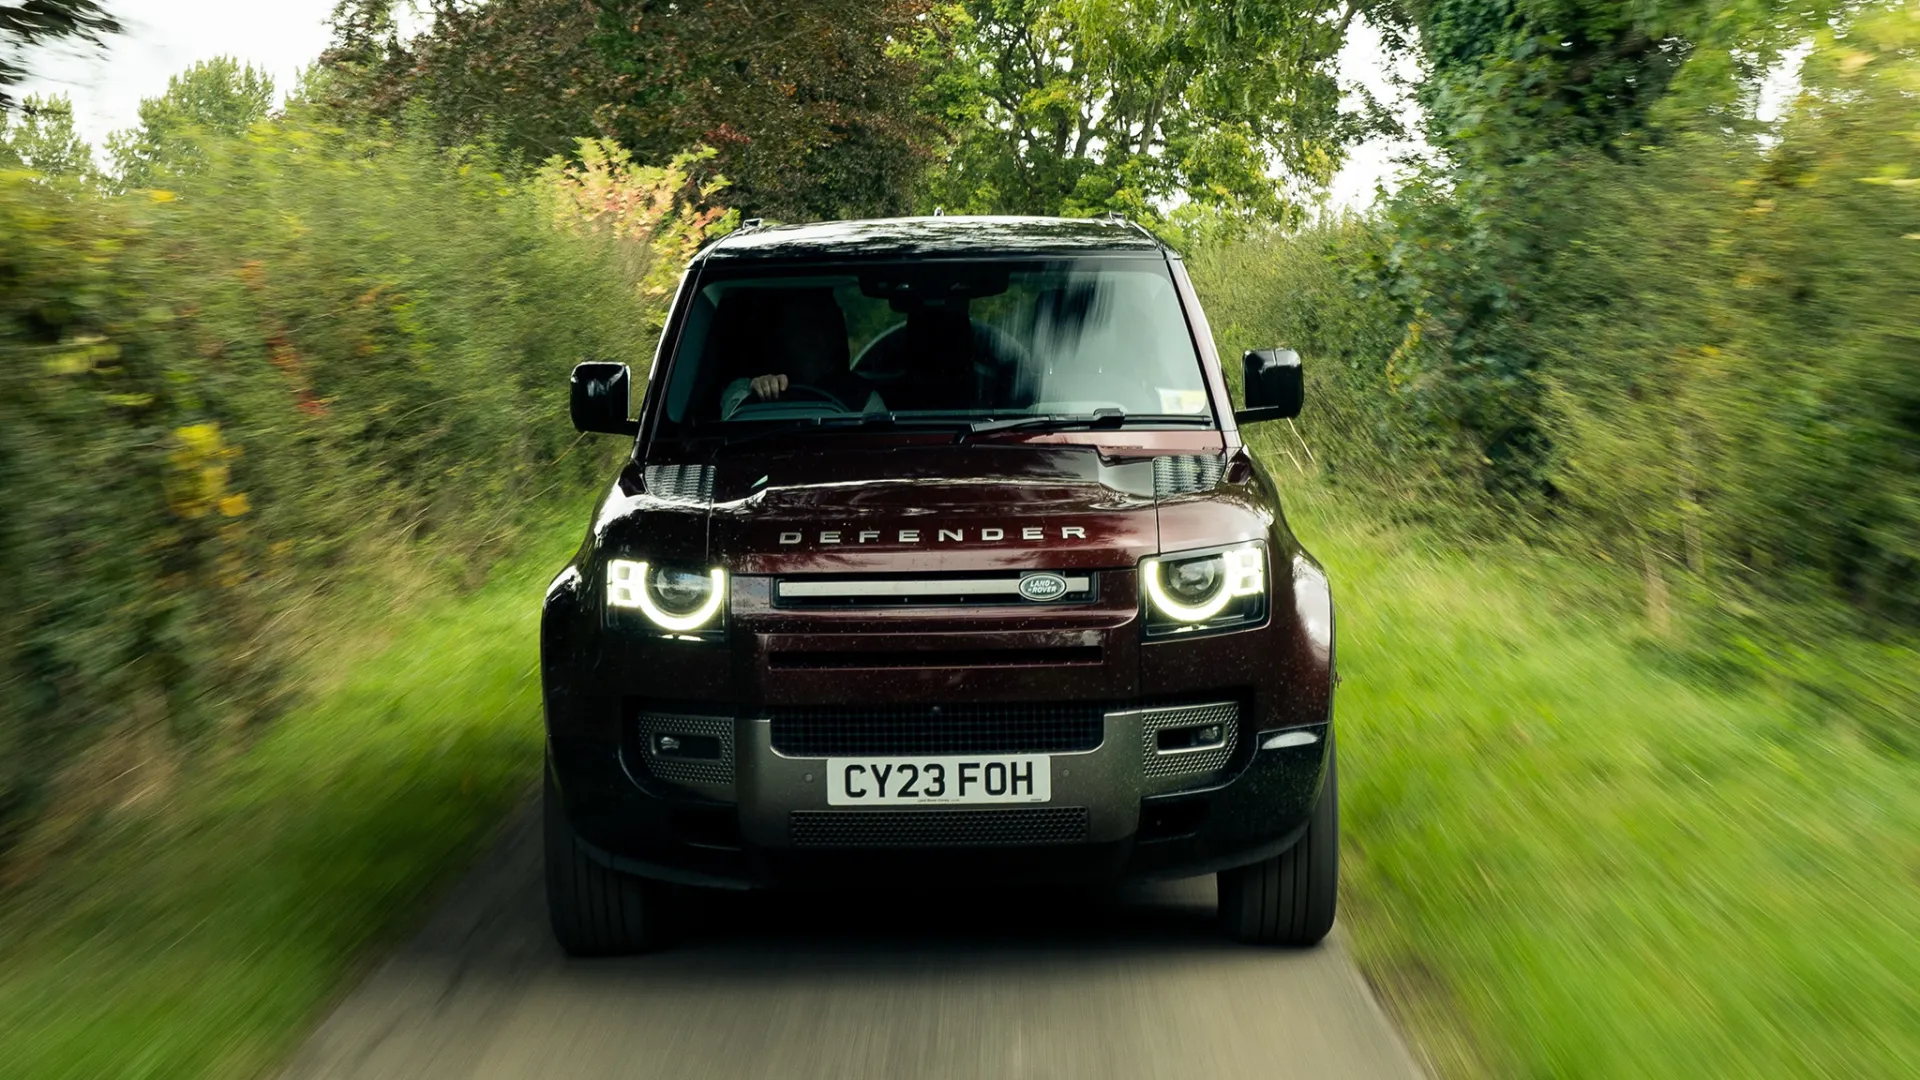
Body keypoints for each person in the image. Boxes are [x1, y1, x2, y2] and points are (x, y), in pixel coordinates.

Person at [719, 290, 883, 417]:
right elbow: (730, 415)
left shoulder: (861, 395)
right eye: (802, 328)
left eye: (824, 329)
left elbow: (879, 445)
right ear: (781, 336)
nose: (815, 340)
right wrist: (760, 390)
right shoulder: (746, 387)